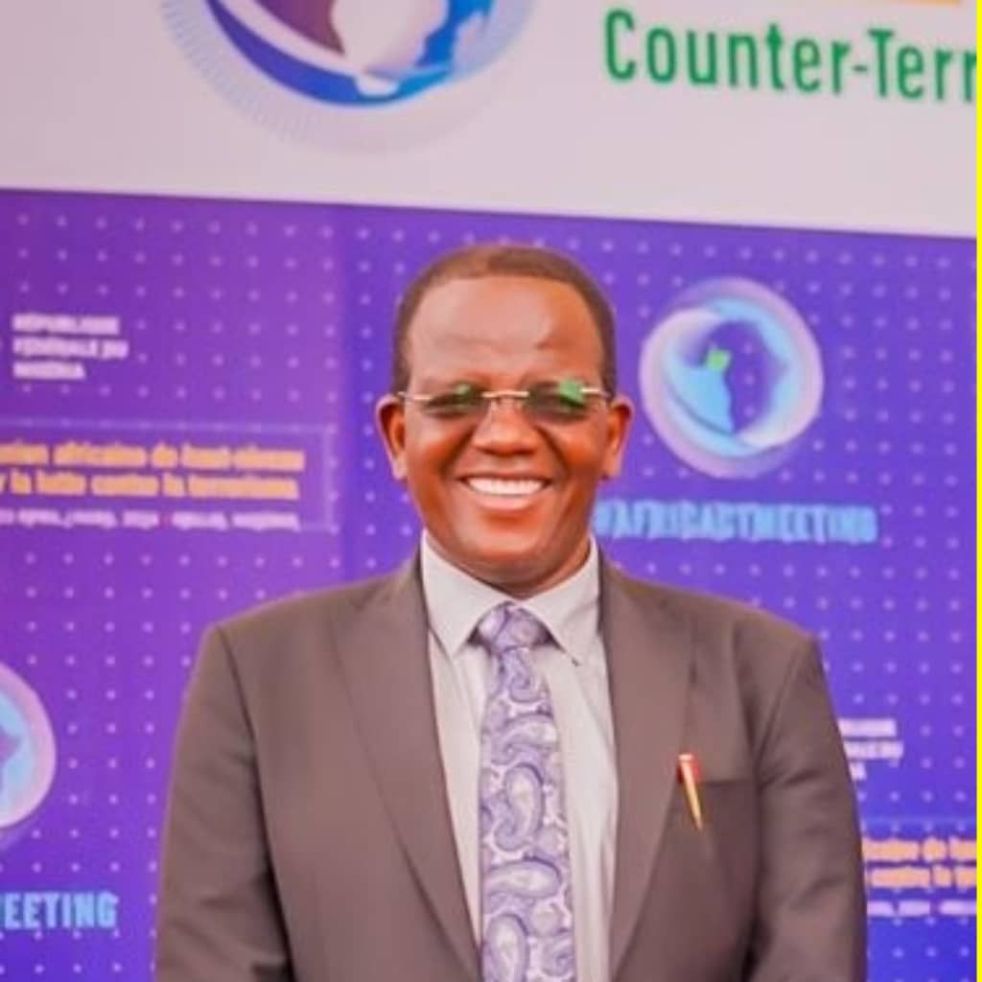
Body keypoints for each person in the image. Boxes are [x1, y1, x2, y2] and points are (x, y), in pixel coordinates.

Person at [155, 243, 866, 981]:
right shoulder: (261, 677)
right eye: (457, 399)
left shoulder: (761, 674)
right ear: (398, 436)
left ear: (613, 435)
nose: (505, 435)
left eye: (556, 399)